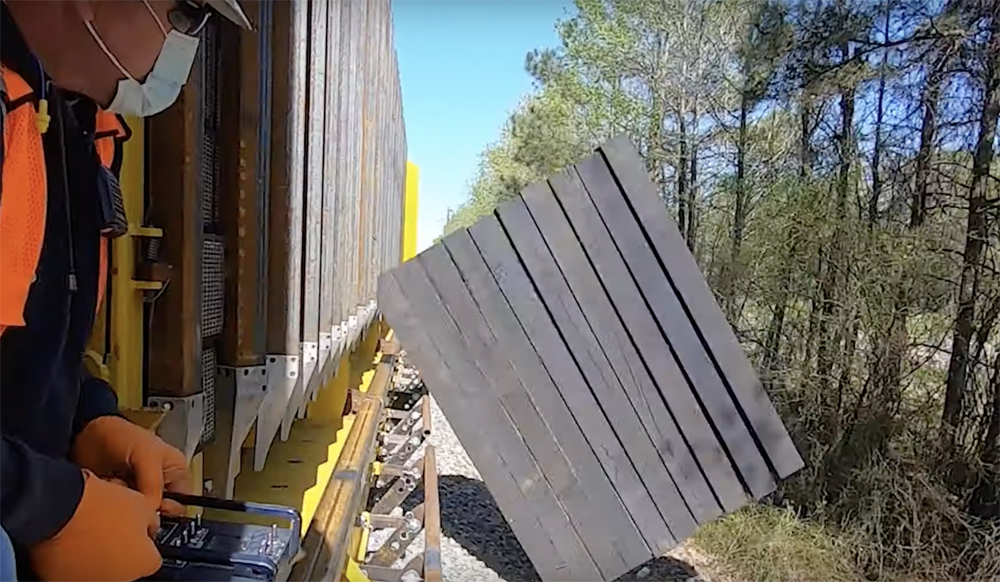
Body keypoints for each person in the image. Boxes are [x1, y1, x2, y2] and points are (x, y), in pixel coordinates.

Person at [0, 1, 252, 581]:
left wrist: (88, 420)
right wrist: (48, 505)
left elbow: (30, 343)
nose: (187, 47)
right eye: (189, 13)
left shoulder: (69, 127)